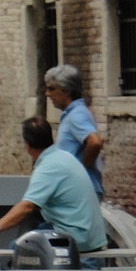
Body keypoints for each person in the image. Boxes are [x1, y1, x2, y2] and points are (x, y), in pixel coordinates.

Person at [0, 117, 107, 256]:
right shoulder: (65, 157)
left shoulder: (48, 168)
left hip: (77, 239)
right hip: (92, 238)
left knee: (18, 248)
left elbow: (27, 207)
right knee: (39, 230)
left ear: (27, 145)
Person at [44, 64, 105, 198]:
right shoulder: (72, 114)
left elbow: (95, 142)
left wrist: (79, 173)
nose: (47, 94)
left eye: (52, 89)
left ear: (67, 91)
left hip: (81, 190)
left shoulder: (77, 114)